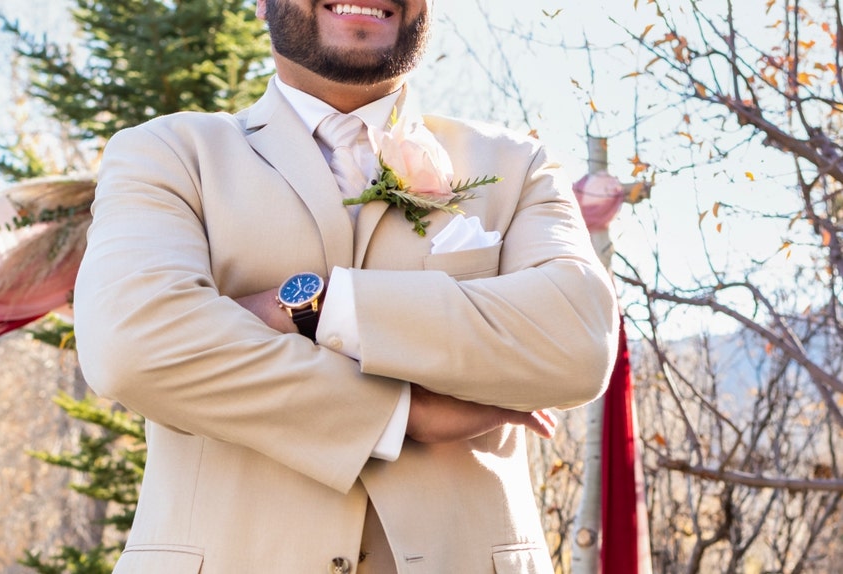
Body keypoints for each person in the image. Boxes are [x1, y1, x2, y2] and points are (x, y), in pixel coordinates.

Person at [73, 0, 619, 572]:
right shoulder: (165, 154)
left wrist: (320, 305)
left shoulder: (517, 164)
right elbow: (133, 345)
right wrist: (401, 414)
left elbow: (577, 343)